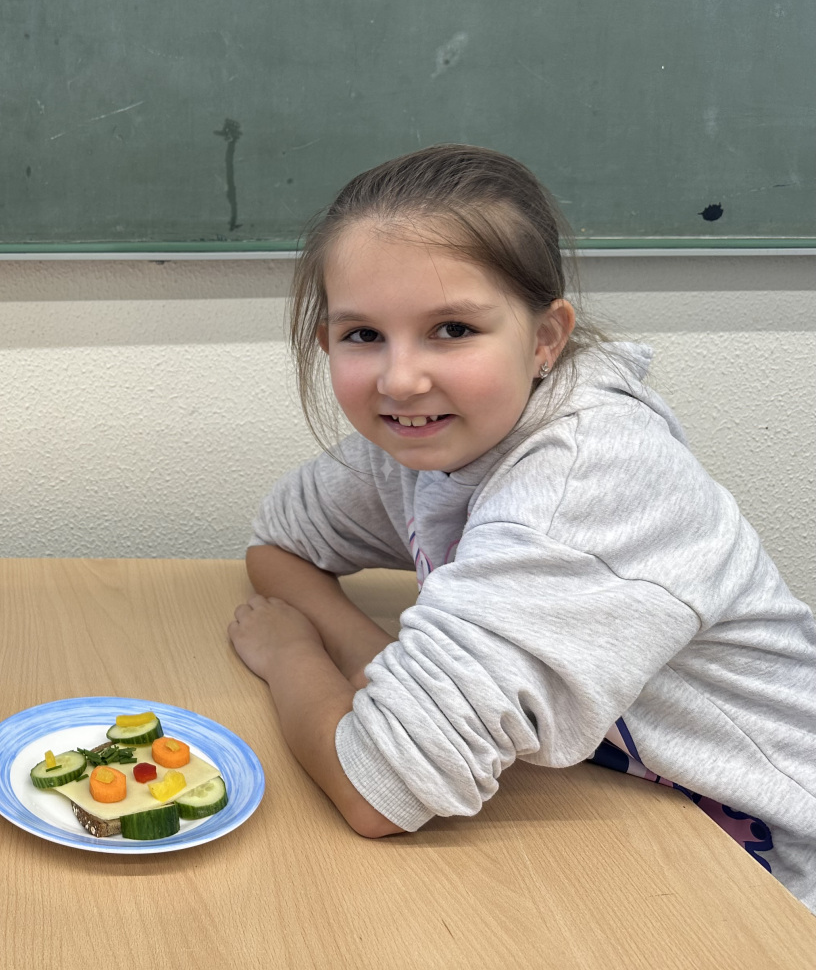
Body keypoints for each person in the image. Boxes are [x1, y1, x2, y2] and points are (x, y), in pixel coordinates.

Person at [227, 144, 816, 913]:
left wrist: (292, 653)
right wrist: (366, 650)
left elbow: (376, 791)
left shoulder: (584, 483)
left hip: (775, 874)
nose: (400, 379)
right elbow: (279, 543)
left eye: (452, 328)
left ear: (544, 339)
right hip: (615, 824)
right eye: (363, 335)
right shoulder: (425, 435)